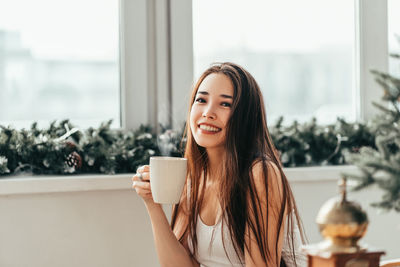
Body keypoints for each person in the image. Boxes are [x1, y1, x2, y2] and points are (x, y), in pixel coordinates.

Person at [132, 62, 307, 267]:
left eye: (225, 104)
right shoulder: (193, 178)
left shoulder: (260, 174)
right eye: (201, 100)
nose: (208, 112)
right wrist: (152, 204)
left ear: (245, 118)